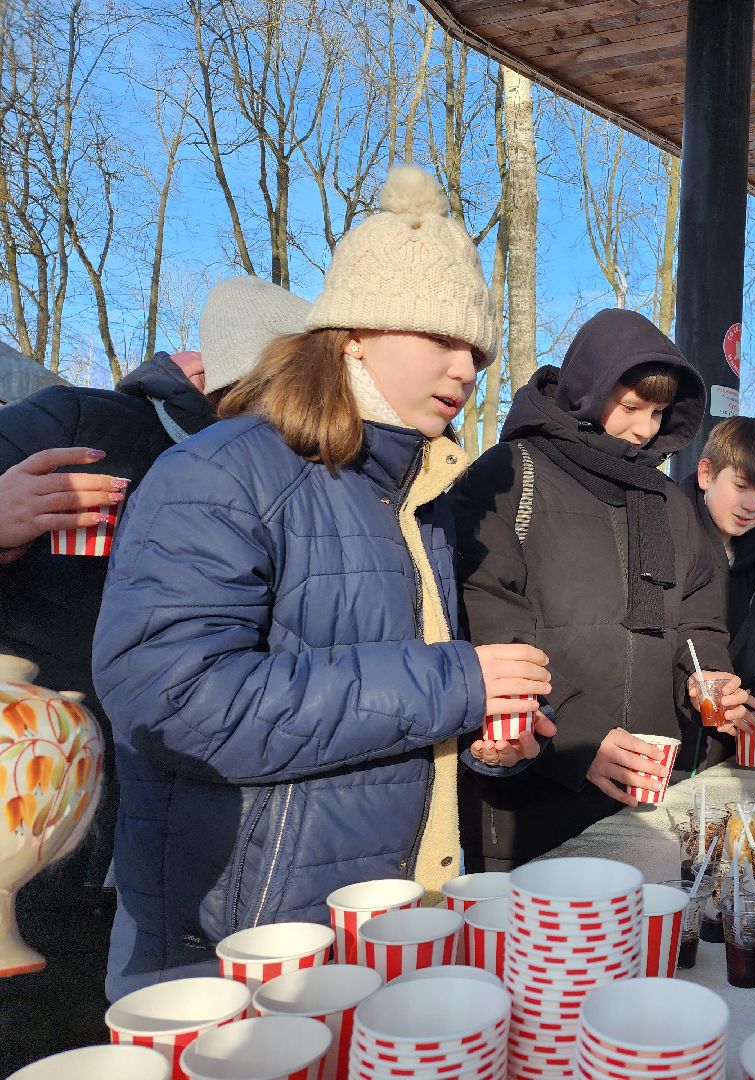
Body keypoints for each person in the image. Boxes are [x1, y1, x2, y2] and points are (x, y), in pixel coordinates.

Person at [90, 166, 553, 998]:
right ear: (351, 335)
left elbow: (380, 711)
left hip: (375, 934)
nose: (465, 369)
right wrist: (455, 682)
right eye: (439, 339)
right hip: (236, 952)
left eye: (476, 349)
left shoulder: (420, 494)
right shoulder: (223, 470)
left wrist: (482, 739)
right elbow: (172, 699)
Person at [0, 278, 307, 1070]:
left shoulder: (286, 469)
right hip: (44, 791)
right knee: (37, 1025)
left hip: (180, 810)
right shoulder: (81, 420)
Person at [452, 308, 749, 871]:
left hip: (649, 793)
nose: (645, 429)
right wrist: (580, 737)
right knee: (541, 955)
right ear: (588, 386)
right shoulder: (511, 474)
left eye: (659, 412)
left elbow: (698, 621)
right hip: (533, 793)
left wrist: (707, 676)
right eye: (632, 406)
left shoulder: (670, 503)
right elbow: (486, 622)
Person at [678, 417, 755, 772]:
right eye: (742, 486)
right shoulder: (668, 540)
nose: (751, 505)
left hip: (731, 760)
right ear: (705, 474)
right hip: (667, 751)